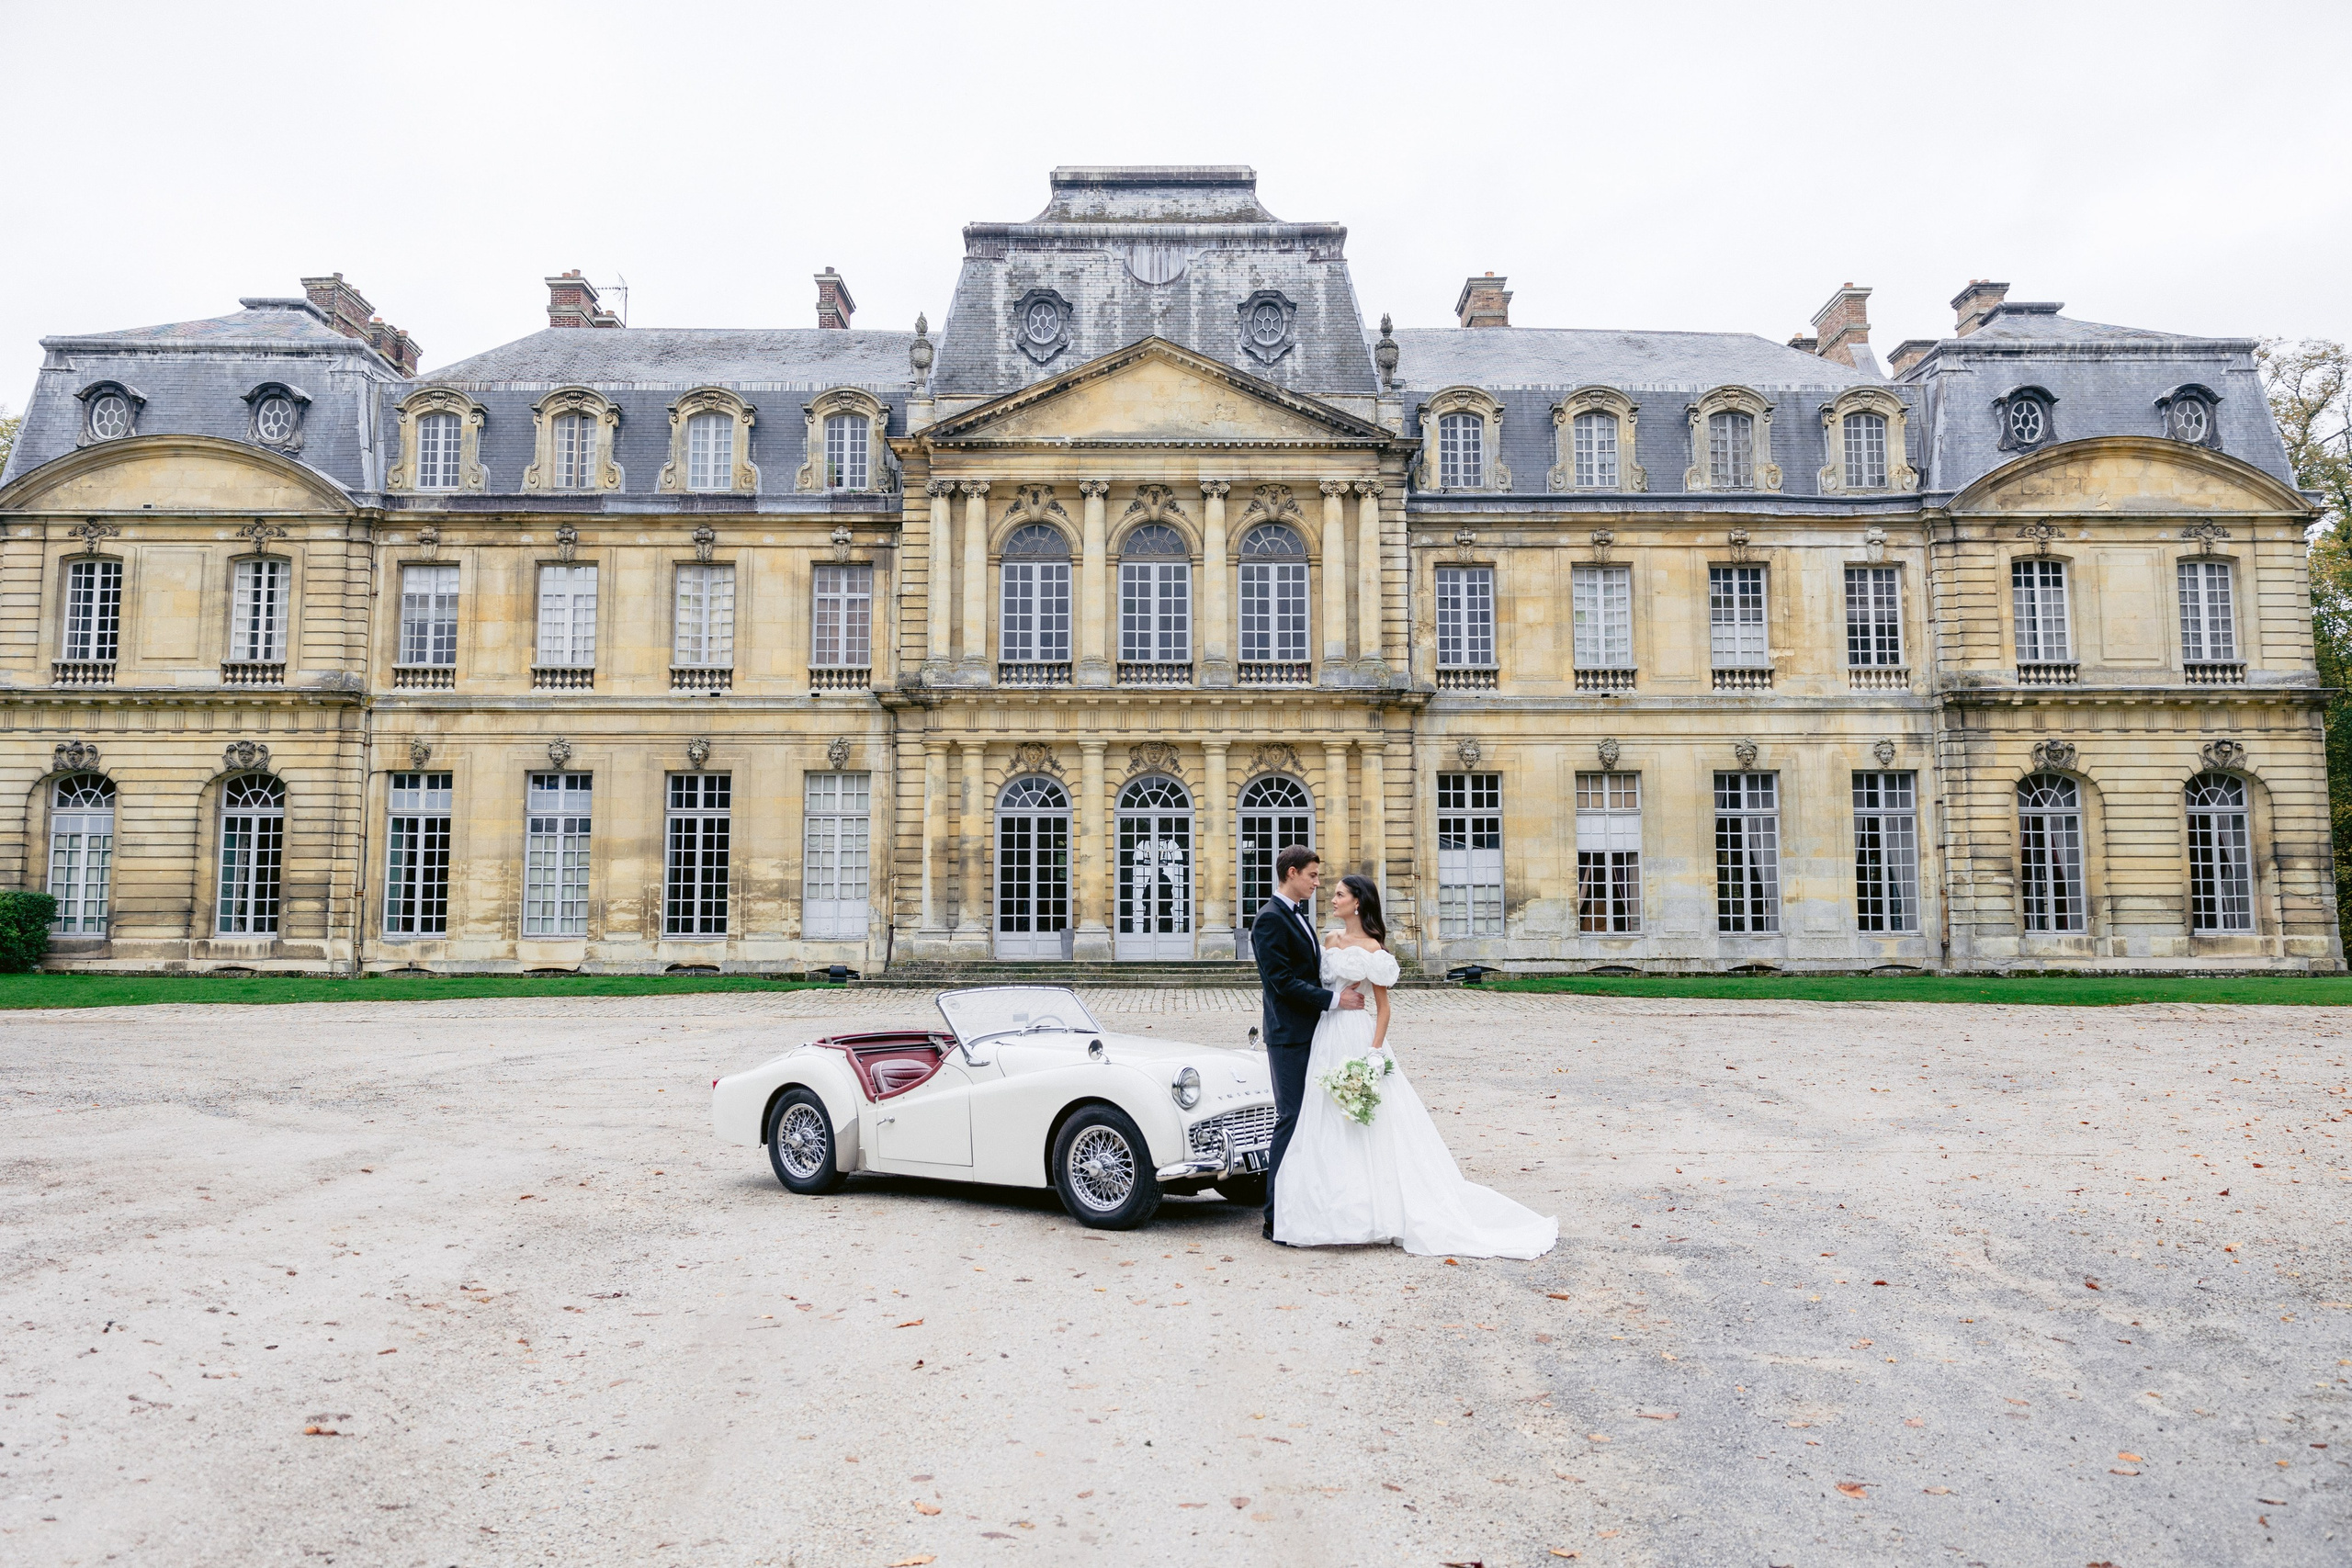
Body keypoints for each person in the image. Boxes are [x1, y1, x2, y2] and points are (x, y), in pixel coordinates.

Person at [1274, 873, 1558, 1259]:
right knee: (1323, 1117)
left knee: (1365, 1122)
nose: (1332, 898)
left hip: (1356, 1034)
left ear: (1357, 902)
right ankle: (1326, 1210)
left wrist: (1375, 1053)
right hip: (1326, 1033)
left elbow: (1383, 1009)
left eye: (1339, 894)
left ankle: (1374, 1210)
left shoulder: (1373, 949)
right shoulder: (1329, 940)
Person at [1249, 845, 1364, 1245]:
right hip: (1289, 1035)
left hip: (1315, 1032)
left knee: (1313, 1119)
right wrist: (1335, 1000)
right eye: (1313, 876)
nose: (1318, 883)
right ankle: (1275, 1216)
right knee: (1292, 1118)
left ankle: (1306, 1206)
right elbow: (1282, 982)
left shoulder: (1297, 916)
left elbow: (1310, 972)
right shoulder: (1269, 919)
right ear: (1292, 873)